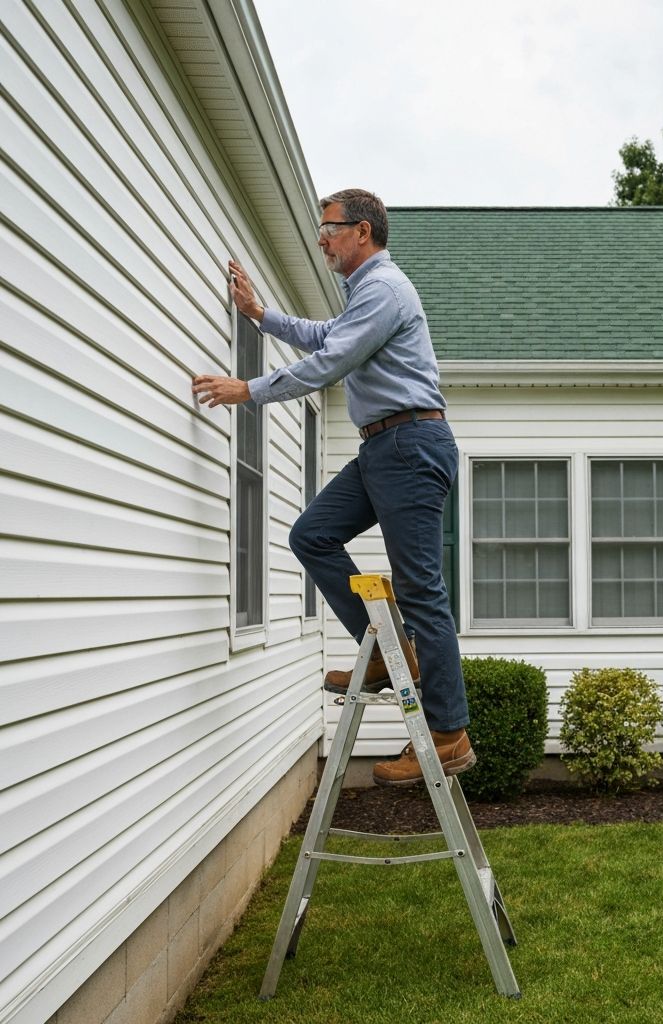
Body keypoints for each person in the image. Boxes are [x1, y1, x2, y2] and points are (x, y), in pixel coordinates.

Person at [191, 188, 472, 787]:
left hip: (410, 445)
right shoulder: (364, 294)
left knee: (422, 588)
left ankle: (449, 735)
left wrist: (250, 390)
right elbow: (327, 336)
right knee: (312, 535)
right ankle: (388, 652)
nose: (322, 239)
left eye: (329, 229)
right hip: (383, 447)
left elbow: (332, 359)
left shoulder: (385, 290)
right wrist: (262, 317)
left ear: (362, 232)